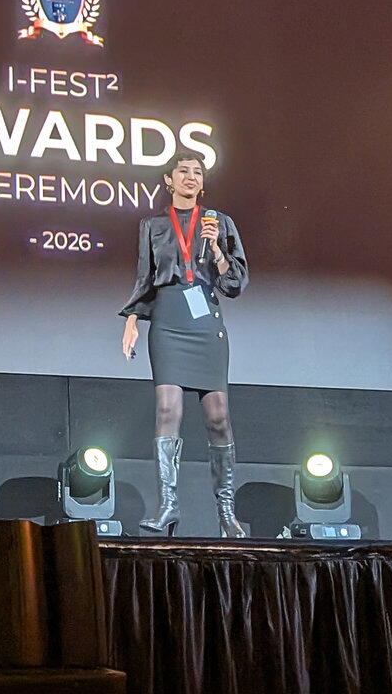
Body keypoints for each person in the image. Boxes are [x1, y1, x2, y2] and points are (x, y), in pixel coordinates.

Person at [118, 152, 249, 536]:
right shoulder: (153, 225)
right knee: (166, 410)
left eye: (197, 173)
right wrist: (132, 320)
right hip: (168, 320)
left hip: (205, 320)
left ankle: (226, 513)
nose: (191, 177)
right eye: (183, 171)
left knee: (218, 417)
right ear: (169, 179)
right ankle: (168, 506)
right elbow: (145, 277)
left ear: (202, 183)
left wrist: (218, 250)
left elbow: (235, 284)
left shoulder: (220, 222)